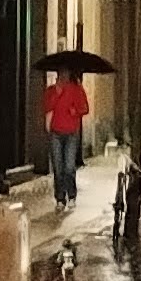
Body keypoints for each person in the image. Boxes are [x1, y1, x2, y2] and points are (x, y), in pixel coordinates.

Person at [42, 67, 89, 207]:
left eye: (65, 73)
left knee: (69, 166)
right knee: (58, 167)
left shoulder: (76, 89)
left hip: (71, 133)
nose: (63, 76)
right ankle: (60, 198)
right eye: (60, 74)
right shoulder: (51, 90)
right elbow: (47, 107)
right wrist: (56, 93)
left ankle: (72, 194)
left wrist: (75, 111)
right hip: (55, 132)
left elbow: (85, 108)